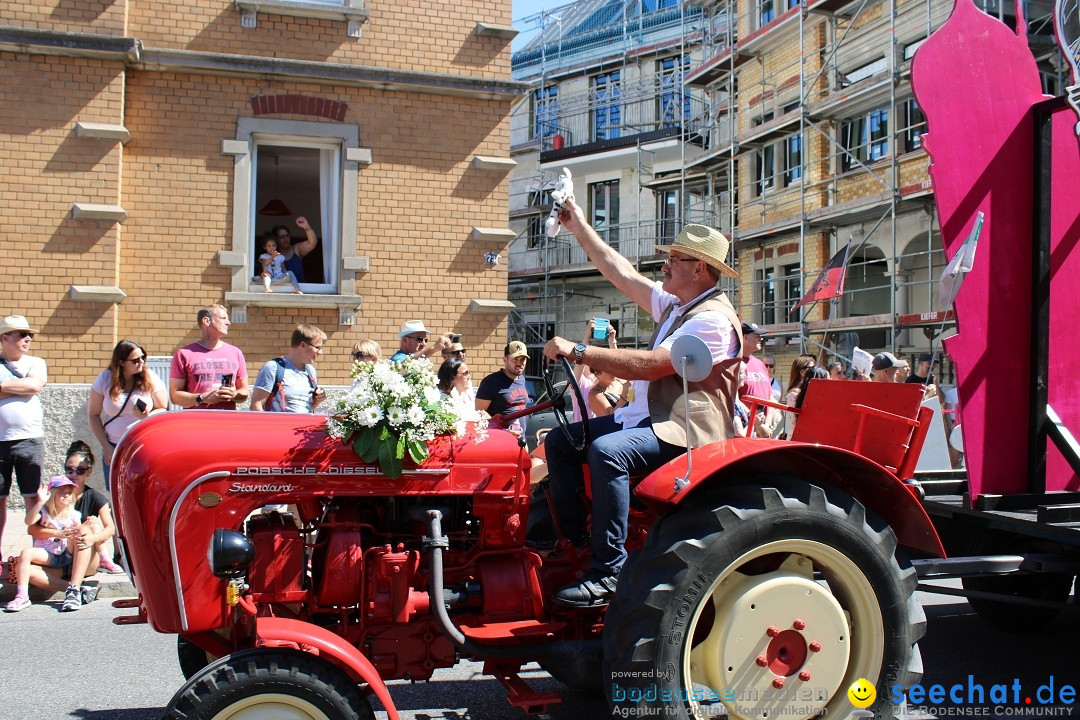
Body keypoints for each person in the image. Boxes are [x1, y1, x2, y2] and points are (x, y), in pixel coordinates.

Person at [542, 199, 743, 607]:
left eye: (674, 258)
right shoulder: (677, 304)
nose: (665, 265)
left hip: (686, 429)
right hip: (649, 419)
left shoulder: (713, 320)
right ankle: (574, 541)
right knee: (560, 442)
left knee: (607, 452)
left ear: (699, 269)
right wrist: (578, 224)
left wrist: (580, 351)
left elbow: (652, 366)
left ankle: (610, 570)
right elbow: (621, 273)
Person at [88, 339, 169, 489]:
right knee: (115, 491)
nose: (141, 362)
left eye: (143, 357)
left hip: (142, 444)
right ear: (121, 362)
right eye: (135, 360)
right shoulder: (105, 379)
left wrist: (146, 417)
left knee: (140, 488)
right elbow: (93, 415)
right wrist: (106, 447)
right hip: (114, 446)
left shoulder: (149, 376)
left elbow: (163, 407)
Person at [0, 315, 47, 549]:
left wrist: (1, 388)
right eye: (22, 334)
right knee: (0, 500)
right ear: (5, 338)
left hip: (29, 440)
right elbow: (27, 388)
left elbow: (35, 385)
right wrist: (21, 389)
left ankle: (39, 551)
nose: (28, 338)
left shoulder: (35, 363)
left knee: (34, 497)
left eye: (30, 335)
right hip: (0, 443)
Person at [4, 476, 82, 612]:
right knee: (26, 552)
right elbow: (29, 522)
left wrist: (75, 531)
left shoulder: (73, 514)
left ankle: (78, 582)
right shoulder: (45, 512)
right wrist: (40, 502)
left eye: (69, 493)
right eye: (61, 492)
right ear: (52, 495)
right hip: (48, 554)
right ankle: (22, 596)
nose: (66, 496)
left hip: (66, 554)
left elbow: (79, 532)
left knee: (81, 533)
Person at [170, 305, 250, 409]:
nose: (228, 322)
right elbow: (175, 396)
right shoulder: (184, 354)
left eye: (228, 319)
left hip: (227, 420)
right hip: (196, 421)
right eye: (223, 318)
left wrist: (233, 395)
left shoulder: (235, 352)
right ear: (206, 321)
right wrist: (202, 398)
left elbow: (244, 391)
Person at [250, 324, 327, 413]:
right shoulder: (273, 368)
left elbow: (306, 409)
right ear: (302, 345)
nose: (320, 352)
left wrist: (316, 401)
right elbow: (256, 407)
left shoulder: (311, 371)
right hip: (279, 426)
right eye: (318, 347)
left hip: (303, 426)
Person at [476, 341, 531, 440]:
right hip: (499, 442)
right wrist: (503, 431)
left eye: (523, 359)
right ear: (505, 359)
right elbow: (479, 412)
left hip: (521, 441)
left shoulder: (522, 379)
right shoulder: (491, 381)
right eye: (515, 359)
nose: (519, 363)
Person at [740, 322, 783, 438]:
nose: (761, 338)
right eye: (757, 335)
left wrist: (767, 425)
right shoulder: (735, 364)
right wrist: (757, 424)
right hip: (744, 428)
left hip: (762, 428)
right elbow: (733, 400)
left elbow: (769, 398)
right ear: (745, 337)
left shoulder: (760, 364)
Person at [272, 216, 318, 284]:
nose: (285, 239)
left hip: (300, 291)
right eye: (282, 237)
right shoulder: (272, 255)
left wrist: (306, 227)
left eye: (287, 236)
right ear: (276, 239)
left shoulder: (296, 249)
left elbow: (312, 243)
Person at [437, 357, 483, 421]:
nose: (469, 377)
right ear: (452, 377)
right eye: (465, 373)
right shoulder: (443, 402)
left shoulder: (466, 395)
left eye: (469, 373)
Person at [783, 354, 817, 433]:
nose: (814, 371)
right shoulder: (794, 393)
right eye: (811, 368)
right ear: (802, 372)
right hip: (799, 433)